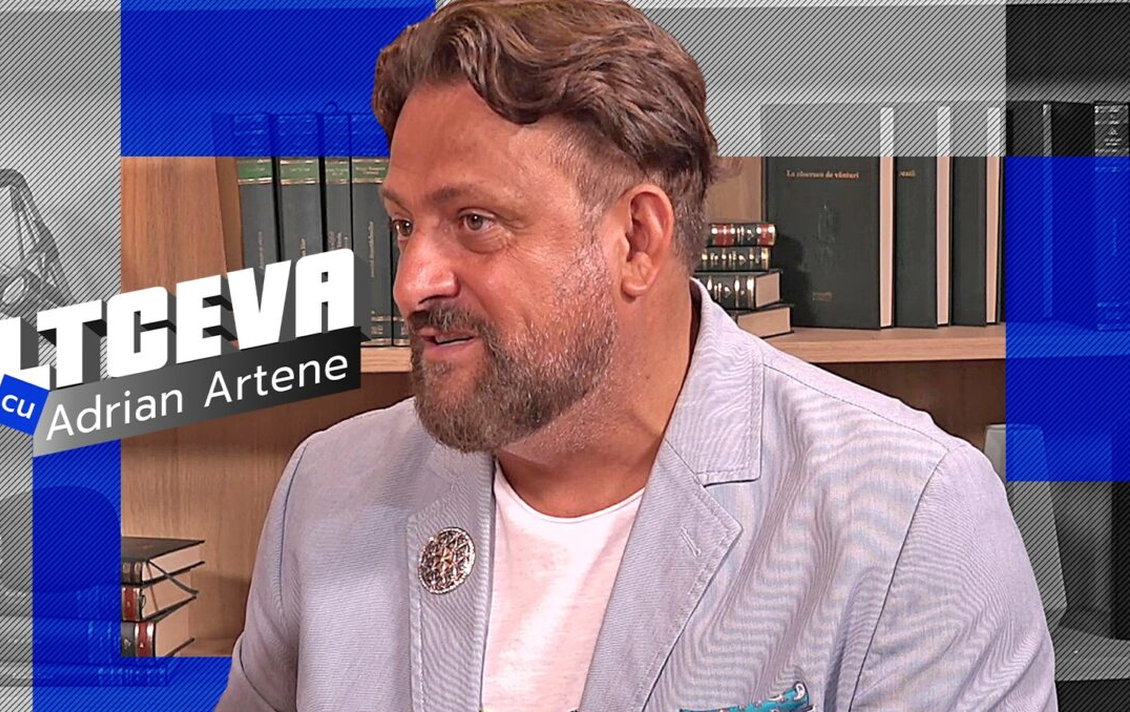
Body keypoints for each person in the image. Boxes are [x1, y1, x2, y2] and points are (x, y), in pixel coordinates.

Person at [215, 0, 1056, 709]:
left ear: (637, 239)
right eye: (405, 225)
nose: (410, 284)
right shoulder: (326, 487)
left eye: (475, 221)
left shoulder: (910, 515)